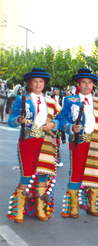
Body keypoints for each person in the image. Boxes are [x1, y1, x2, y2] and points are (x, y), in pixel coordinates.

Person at [7, 68, 59, 223]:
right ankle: (19, 210)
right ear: (29, 83)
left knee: (43, 174)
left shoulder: (51, 101)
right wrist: (18, 120)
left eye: (40, 81)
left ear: (44, 84)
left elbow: (60, 120)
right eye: (35, 81)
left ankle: (40, 209)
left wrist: (53, 124)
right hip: (28, 141)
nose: (38, 84)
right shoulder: (22, 99)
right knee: (27, 175)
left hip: (46, 142)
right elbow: (11, 120)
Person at [59, 68, 98, 218]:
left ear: (93, 85)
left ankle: (93, 205)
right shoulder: (70, 100)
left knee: (95, 171)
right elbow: (62, 119)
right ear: (79, 84)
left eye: (90, 82)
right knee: (77, 172)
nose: (87, 85)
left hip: (97, 142)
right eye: (84, 82)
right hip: (79, 141)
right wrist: (70, 127)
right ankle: (74, 206)